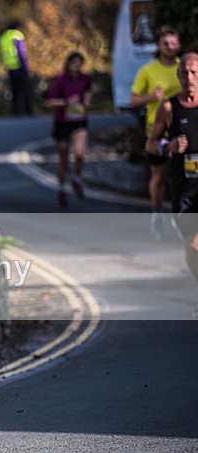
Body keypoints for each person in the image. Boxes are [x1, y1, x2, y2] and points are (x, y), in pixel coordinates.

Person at [146, 52, 198, 318]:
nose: (189, 78)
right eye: (184, 73)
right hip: (185, 188)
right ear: (178, 76)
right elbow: (151, 142)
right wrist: (169, 145)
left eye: (194, 73)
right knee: (192, 247)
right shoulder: (168, 109)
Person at [131, 26, 181, 240]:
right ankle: (157, 213)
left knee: (185, 176)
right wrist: (150, 97)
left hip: (184, 128)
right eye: (166, 43)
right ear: (159, 46)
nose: (170, 47)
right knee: (160, 175)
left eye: (174, 43)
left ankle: (182, 216)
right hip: (157, 130)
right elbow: (133, 99)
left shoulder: (186, 68)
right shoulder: (148, 70)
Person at [45, 52, 93, 208]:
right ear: (68, 64)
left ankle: (77, 179)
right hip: (63, 121)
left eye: (79, 64)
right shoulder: (60, 80)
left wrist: (86, 101)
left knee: (80, 153)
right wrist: (66, 102)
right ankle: (61, 188)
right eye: (74, 64)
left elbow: (88, 91)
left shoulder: (85, 78)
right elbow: (50, 101)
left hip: (79, 120)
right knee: (64, 158)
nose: (77, 67)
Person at [0, 20, 32, 116]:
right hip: (19, 67)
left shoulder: (4, 37)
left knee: (14, 91)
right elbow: (21, 52)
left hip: (10, 67)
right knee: (25, 90)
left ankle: (16, 111)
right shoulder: (16, 35)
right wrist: (25, 66)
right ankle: (27, 110)